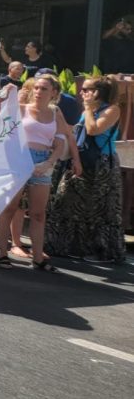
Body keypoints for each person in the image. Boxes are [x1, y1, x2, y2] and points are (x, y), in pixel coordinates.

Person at [0, 74, 73, 272]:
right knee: (10, 209)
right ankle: (2, 253)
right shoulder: (22, 109)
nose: (38, 92)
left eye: (44, 89)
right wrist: (6, 94)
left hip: (43, 161)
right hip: (20, 159)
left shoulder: (55, 112)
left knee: (38, 213)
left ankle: (38, 257)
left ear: (54, 92)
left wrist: (48, 162)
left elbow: (60, 141)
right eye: (36, 87)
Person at [47, 77, 125, 263]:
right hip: (80, 158)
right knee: (66, 200)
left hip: (101, 164)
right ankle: (66, 245)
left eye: (86, 89)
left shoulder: (112, 109)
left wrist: (89, 109)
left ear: (98, 92)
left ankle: (99, 251)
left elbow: (93, 130)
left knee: (97, 208)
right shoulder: (88, 110)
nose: (81, 93)